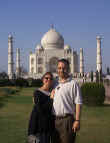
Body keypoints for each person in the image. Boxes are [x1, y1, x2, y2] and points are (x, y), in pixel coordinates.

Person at [51, 59, 83, 143]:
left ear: (68, 69)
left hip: (67, 120)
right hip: (54, 120)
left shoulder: (73, 84)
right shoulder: (54, 83)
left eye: (64, 68)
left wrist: (77, 120)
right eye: (59, 68)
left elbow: (78, 103)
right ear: (57, 69)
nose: (61, 70)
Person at [28, 72, 54, 143]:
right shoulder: (37, 92)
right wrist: (51, 99)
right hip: (37, 126)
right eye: (46, 78)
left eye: (50, 79)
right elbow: (41, 110)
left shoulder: (52, 92)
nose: (48, 80)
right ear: (43, 80)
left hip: (47, 126)